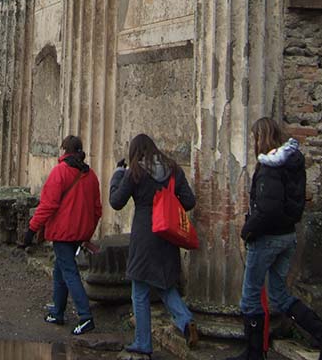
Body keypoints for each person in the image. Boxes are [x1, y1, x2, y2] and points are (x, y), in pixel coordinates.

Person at [230, 118, 322, 360]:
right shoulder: (293, 163)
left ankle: (254, 354)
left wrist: (248, 229)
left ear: (262, 137)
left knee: (250, 298)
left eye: (256, 137)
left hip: (267, 238)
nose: (254, 143)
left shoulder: (270, 167)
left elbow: (268, 208)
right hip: (287, 236)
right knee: (279, 295)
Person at [109, 133, 199, 359]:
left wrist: (117, 175)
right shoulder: (174, 170)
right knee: (165, 285)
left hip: (144, 237)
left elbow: (116, 202)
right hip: (167, 234)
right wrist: (167, 202)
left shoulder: (135, 173)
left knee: (139, 290)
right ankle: (186, 321)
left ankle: (142, 342)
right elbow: (189, 200)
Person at [23, 135, 102, 336]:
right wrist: (87, 232)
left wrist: (31, 229)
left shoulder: (60, 172)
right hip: (78, 232)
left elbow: (48, 205)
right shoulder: (90, 175)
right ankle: (58, 311)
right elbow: (97, 209)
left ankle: (86, 317)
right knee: (60, 269)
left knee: (68, 271)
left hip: (63, 232)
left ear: (65, 151)